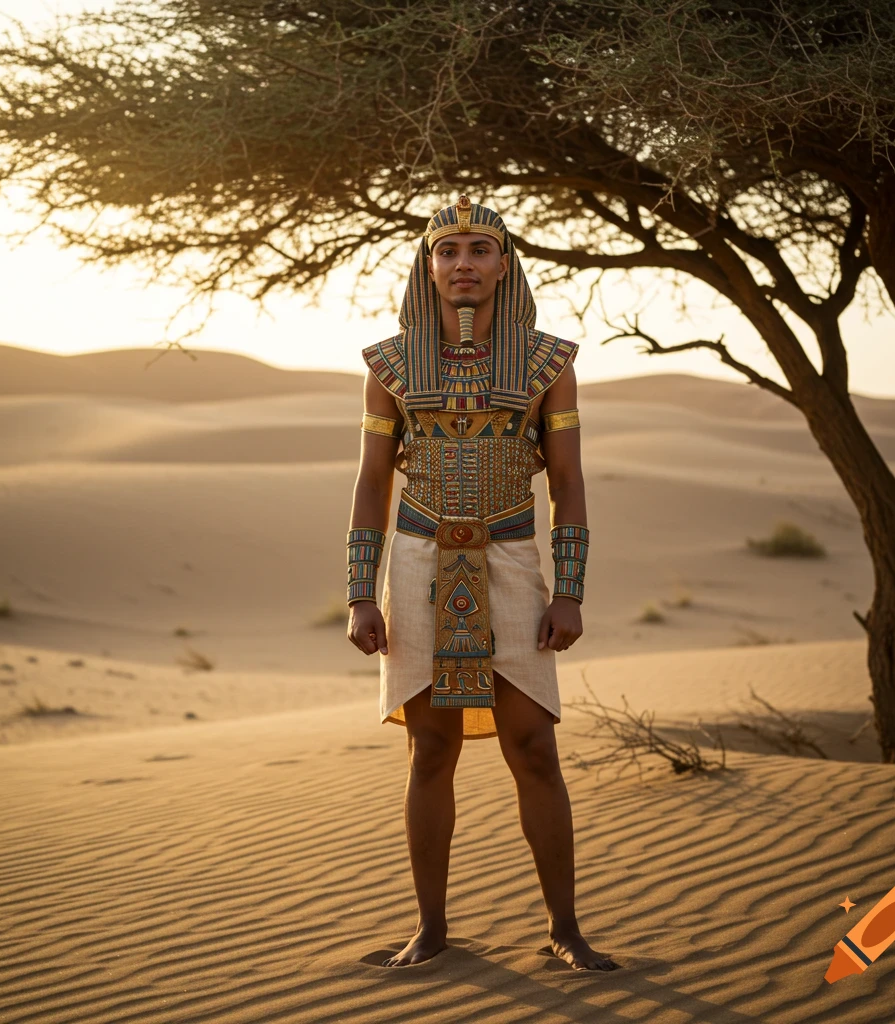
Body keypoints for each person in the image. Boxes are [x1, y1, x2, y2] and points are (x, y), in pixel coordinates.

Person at [346, 196, 617, 972]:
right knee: (430, 751)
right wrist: (361, 592)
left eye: (480, 249)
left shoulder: (549, 362)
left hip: (510, 559)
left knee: (534, 747)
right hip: (417, 559)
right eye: (447, 250)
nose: (463, 262)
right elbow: (370, 483)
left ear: (506, 263)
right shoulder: (387, 365)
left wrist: (570, 590)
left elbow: (567, 480)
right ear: (427, 266)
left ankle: (566, 929)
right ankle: (429, 929)